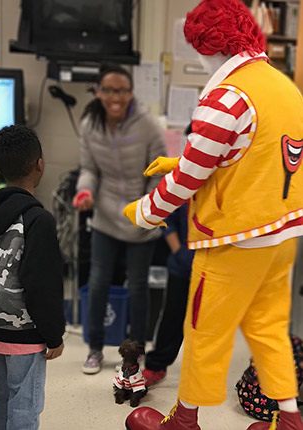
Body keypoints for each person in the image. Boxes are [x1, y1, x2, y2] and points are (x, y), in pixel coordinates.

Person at [123, 1, 303, 429]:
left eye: (198, 47)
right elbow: (252, 158)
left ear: (210, 44)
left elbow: (187, 180)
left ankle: (184, 421)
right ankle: (292, 421)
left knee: (205, 333)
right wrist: (183, 162)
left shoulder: (227, 96)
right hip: (281, 238)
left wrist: (146, 212)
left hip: (232, 242)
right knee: (269, 330)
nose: (198, 58)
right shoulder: (285, 88)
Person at [73, 64, 166, 375]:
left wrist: (148, 209)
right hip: (106, 218)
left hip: (141, 218)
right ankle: (95, 349)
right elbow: (89, 169)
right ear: (98, 92)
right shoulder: (89, 124)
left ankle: (135, 351)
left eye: (123, 90)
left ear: (131, 93)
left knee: (138, 286)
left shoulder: (148, 126)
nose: (116, 97)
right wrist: (85, 192)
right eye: (109, 90)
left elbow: (159, 173)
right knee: (98, 283)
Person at [0, 125, 65, 430]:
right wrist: (53, 334)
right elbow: (42, 284)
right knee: (25, 405)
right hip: (25, 335)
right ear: (40, 164)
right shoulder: (38, 220)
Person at [143, 125, 195, 388]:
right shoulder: (179, 178)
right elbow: (168, 220)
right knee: (173, 317)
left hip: (217, 267)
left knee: (207, 325)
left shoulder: (224, 178)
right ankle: (156, 366)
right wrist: (180, 253)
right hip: (183, 265)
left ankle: (200, 374)